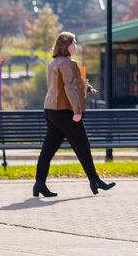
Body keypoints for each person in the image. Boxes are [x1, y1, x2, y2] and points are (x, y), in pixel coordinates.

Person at [33, 32, 115, 198]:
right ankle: (95, 180)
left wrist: (82, 84)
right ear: (67, 45)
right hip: (65, 111)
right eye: (74, 43)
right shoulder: (69, 63)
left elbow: (62, 86)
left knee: (48, 150)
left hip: (50, 109)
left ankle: (39, 183)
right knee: (83, 146)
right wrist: (77, 111)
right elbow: (69, 88)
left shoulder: (53, 62)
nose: (76, 46)